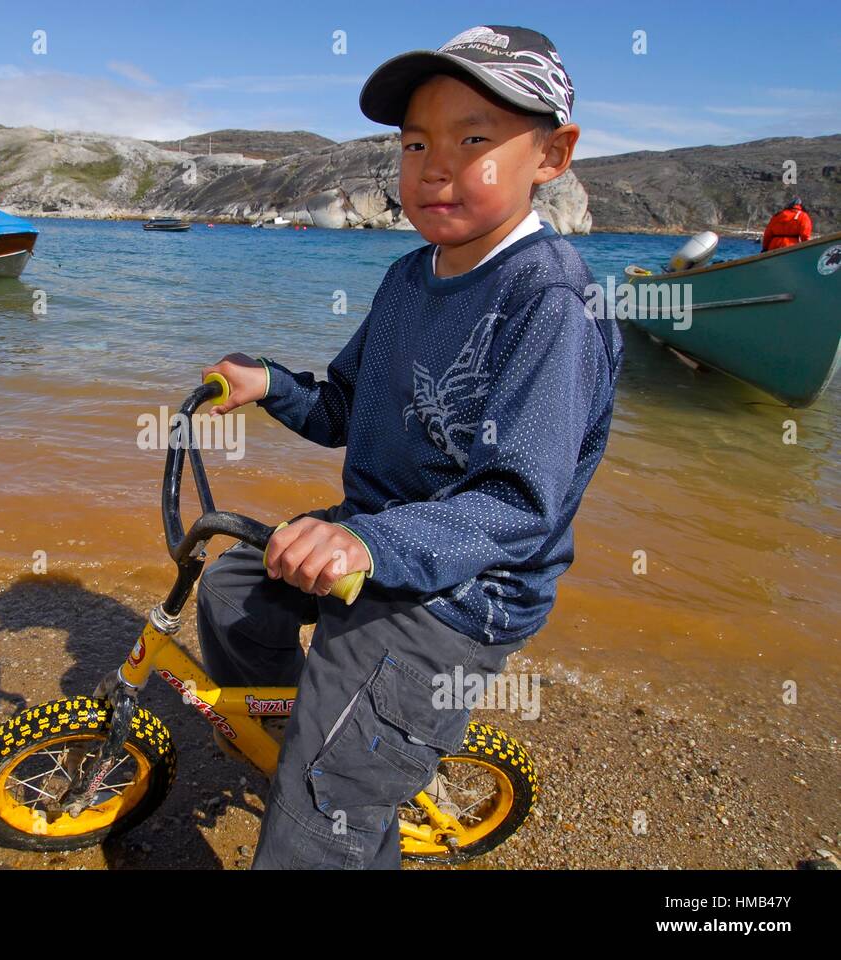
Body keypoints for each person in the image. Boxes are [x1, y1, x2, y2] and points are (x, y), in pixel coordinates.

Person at [196, 25, 623, 869]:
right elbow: (344, 407)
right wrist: (272, 385)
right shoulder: (409, 277)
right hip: (378, 533)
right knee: (234, 589)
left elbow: (515, 506)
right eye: (416, 142)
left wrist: (363, 540)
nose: (435, 166)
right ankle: (312, 741)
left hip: (466, 589)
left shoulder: (552, 304)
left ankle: (331, 793)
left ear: (553, 154)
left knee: (320, 825)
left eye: (474, 140)